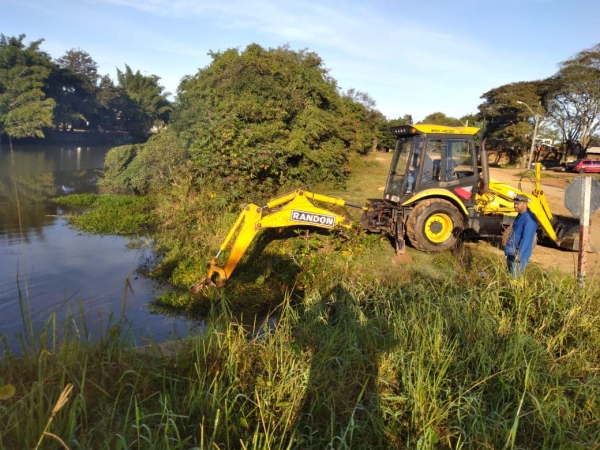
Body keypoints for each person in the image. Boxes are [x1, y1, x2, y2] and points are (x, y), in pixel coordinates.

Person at [504, 194, 538, 277]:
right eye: (514, 203)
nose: (515, 206)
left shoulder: (529, 219)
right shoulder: (520, 215)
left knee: (515, 278)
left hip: (519, 256)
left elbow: (527, 240)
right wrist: (507, 250)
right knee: (508, 276)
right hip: (511, 253)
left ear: (525, 204)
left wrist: (519, 255)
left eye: (517, 204)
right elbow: (514, 234)